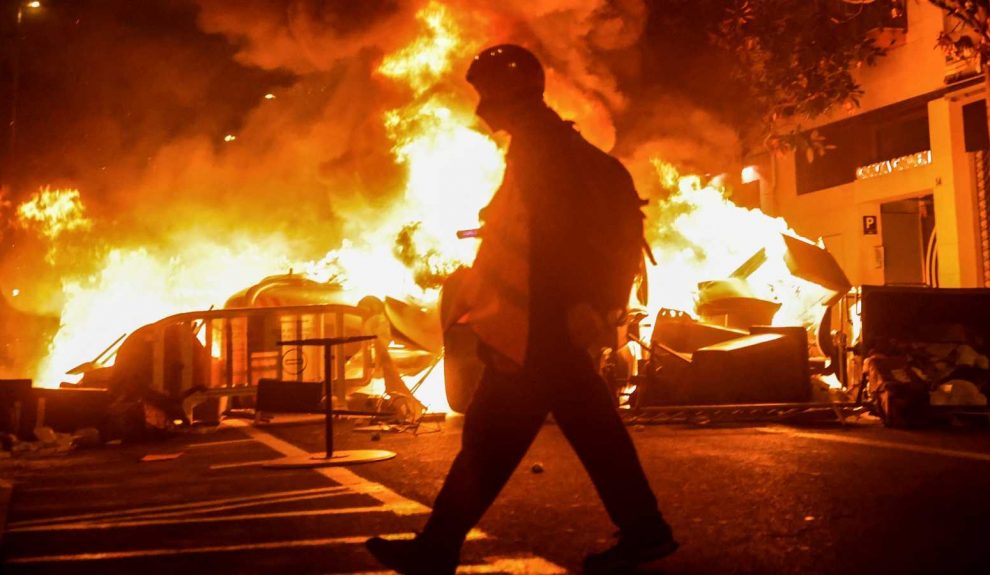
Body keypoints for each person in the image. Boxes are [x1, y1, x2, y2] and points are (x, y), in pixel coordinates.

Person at [366, 44, 677, 575]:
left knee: (496, 439)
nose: (481, 106)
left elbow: (550, 247)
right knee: (579, 431)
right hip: (547, 331)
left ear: (507, 93)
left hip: (539, 333)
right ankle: (644, 531)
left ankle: (437, 549)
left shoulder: (542, 152)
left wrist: (536, 325)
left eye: (486, 92)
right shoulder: (548, 145)